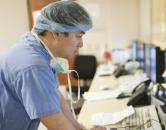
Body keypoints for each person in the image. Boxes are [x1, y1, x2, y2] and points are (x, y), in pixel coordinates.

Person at [0, 1, 105, 130]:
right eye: (78, 36)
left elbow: (57, 99)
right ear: (56, 33)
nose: (81, 44)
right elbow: (56, 123)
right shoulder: (34, 66)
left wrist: (80, 128)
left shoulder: (38, 48)